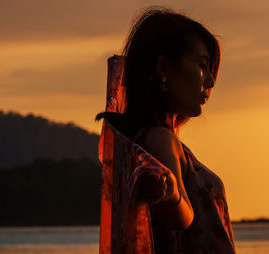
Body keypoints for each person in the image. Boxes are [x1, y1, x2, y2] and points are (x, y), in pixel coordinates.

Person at [96, 7, 235, 254]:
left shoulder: (141, 141)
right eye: (202, 65)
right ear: (164, 68)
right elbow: (183, 217)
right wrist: (170, 192)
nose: (210, 82)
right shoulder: (160, 138)